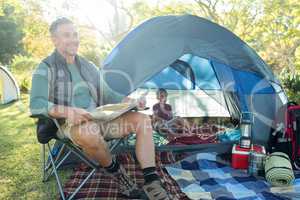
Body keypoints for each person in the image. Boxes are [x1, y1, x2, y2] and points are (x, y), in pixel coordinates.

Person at [30, 17, 170, 200]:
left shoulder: (88, 66)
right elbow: (36, 103)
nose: (73, 39)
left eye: (75, 34)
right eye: (66, 35)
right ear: (54, 40)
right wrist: (69, 111)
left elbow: (108, 94)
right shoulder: (45, 68)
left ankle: (152, 180)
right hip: (69, 124)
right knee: (89, 132)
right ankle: (119, 175)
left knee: (142, 120)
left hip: (99, 119)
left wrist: (130, 101)